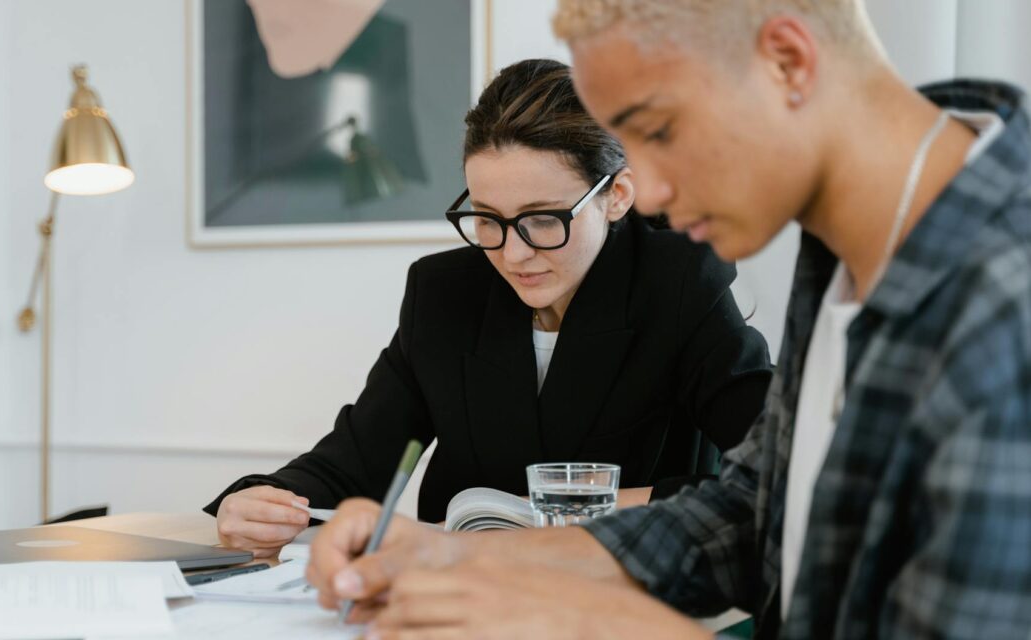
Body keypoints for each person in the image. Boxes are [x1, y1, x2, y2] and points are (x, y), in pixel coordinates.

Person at [304, 1, 1031, 638]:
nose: (641, 192)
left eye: (658, 130)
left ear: (786, 61)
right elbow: (750, 515)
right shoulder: (849, 251)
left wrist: (585, 622)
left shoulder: (1006, 304)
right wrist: (464, 556)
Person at [204, 58, 773, 559]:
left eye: (543, 217)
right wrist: (256, 500)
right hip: (465, 592)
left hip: (621, 594)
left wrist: (582, 508)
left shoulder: (678, 281)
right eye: (487, 217)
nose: (513, 252)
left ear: (616, 196)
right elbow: (354, 462)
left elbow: (772, 471)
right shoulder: (444, 291)